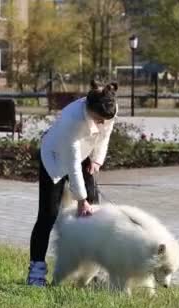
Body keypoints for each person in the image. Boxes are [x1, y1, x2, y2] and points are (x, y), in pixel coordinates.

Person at [26, 80, 119, 287]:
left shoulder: (108, 104)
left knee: (94, 214)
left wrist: (97, 160)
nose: (102, 123)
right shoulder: (72, 119)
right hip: (56, 158)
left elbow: (105, 136)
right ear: (88, 110)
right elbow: (72, 163)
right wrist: (81, 199)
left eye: (106, 120)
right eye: (98, 119)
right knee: (48, 215)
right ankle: (36, 271)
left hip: (83, 154)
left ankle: (92, 272)